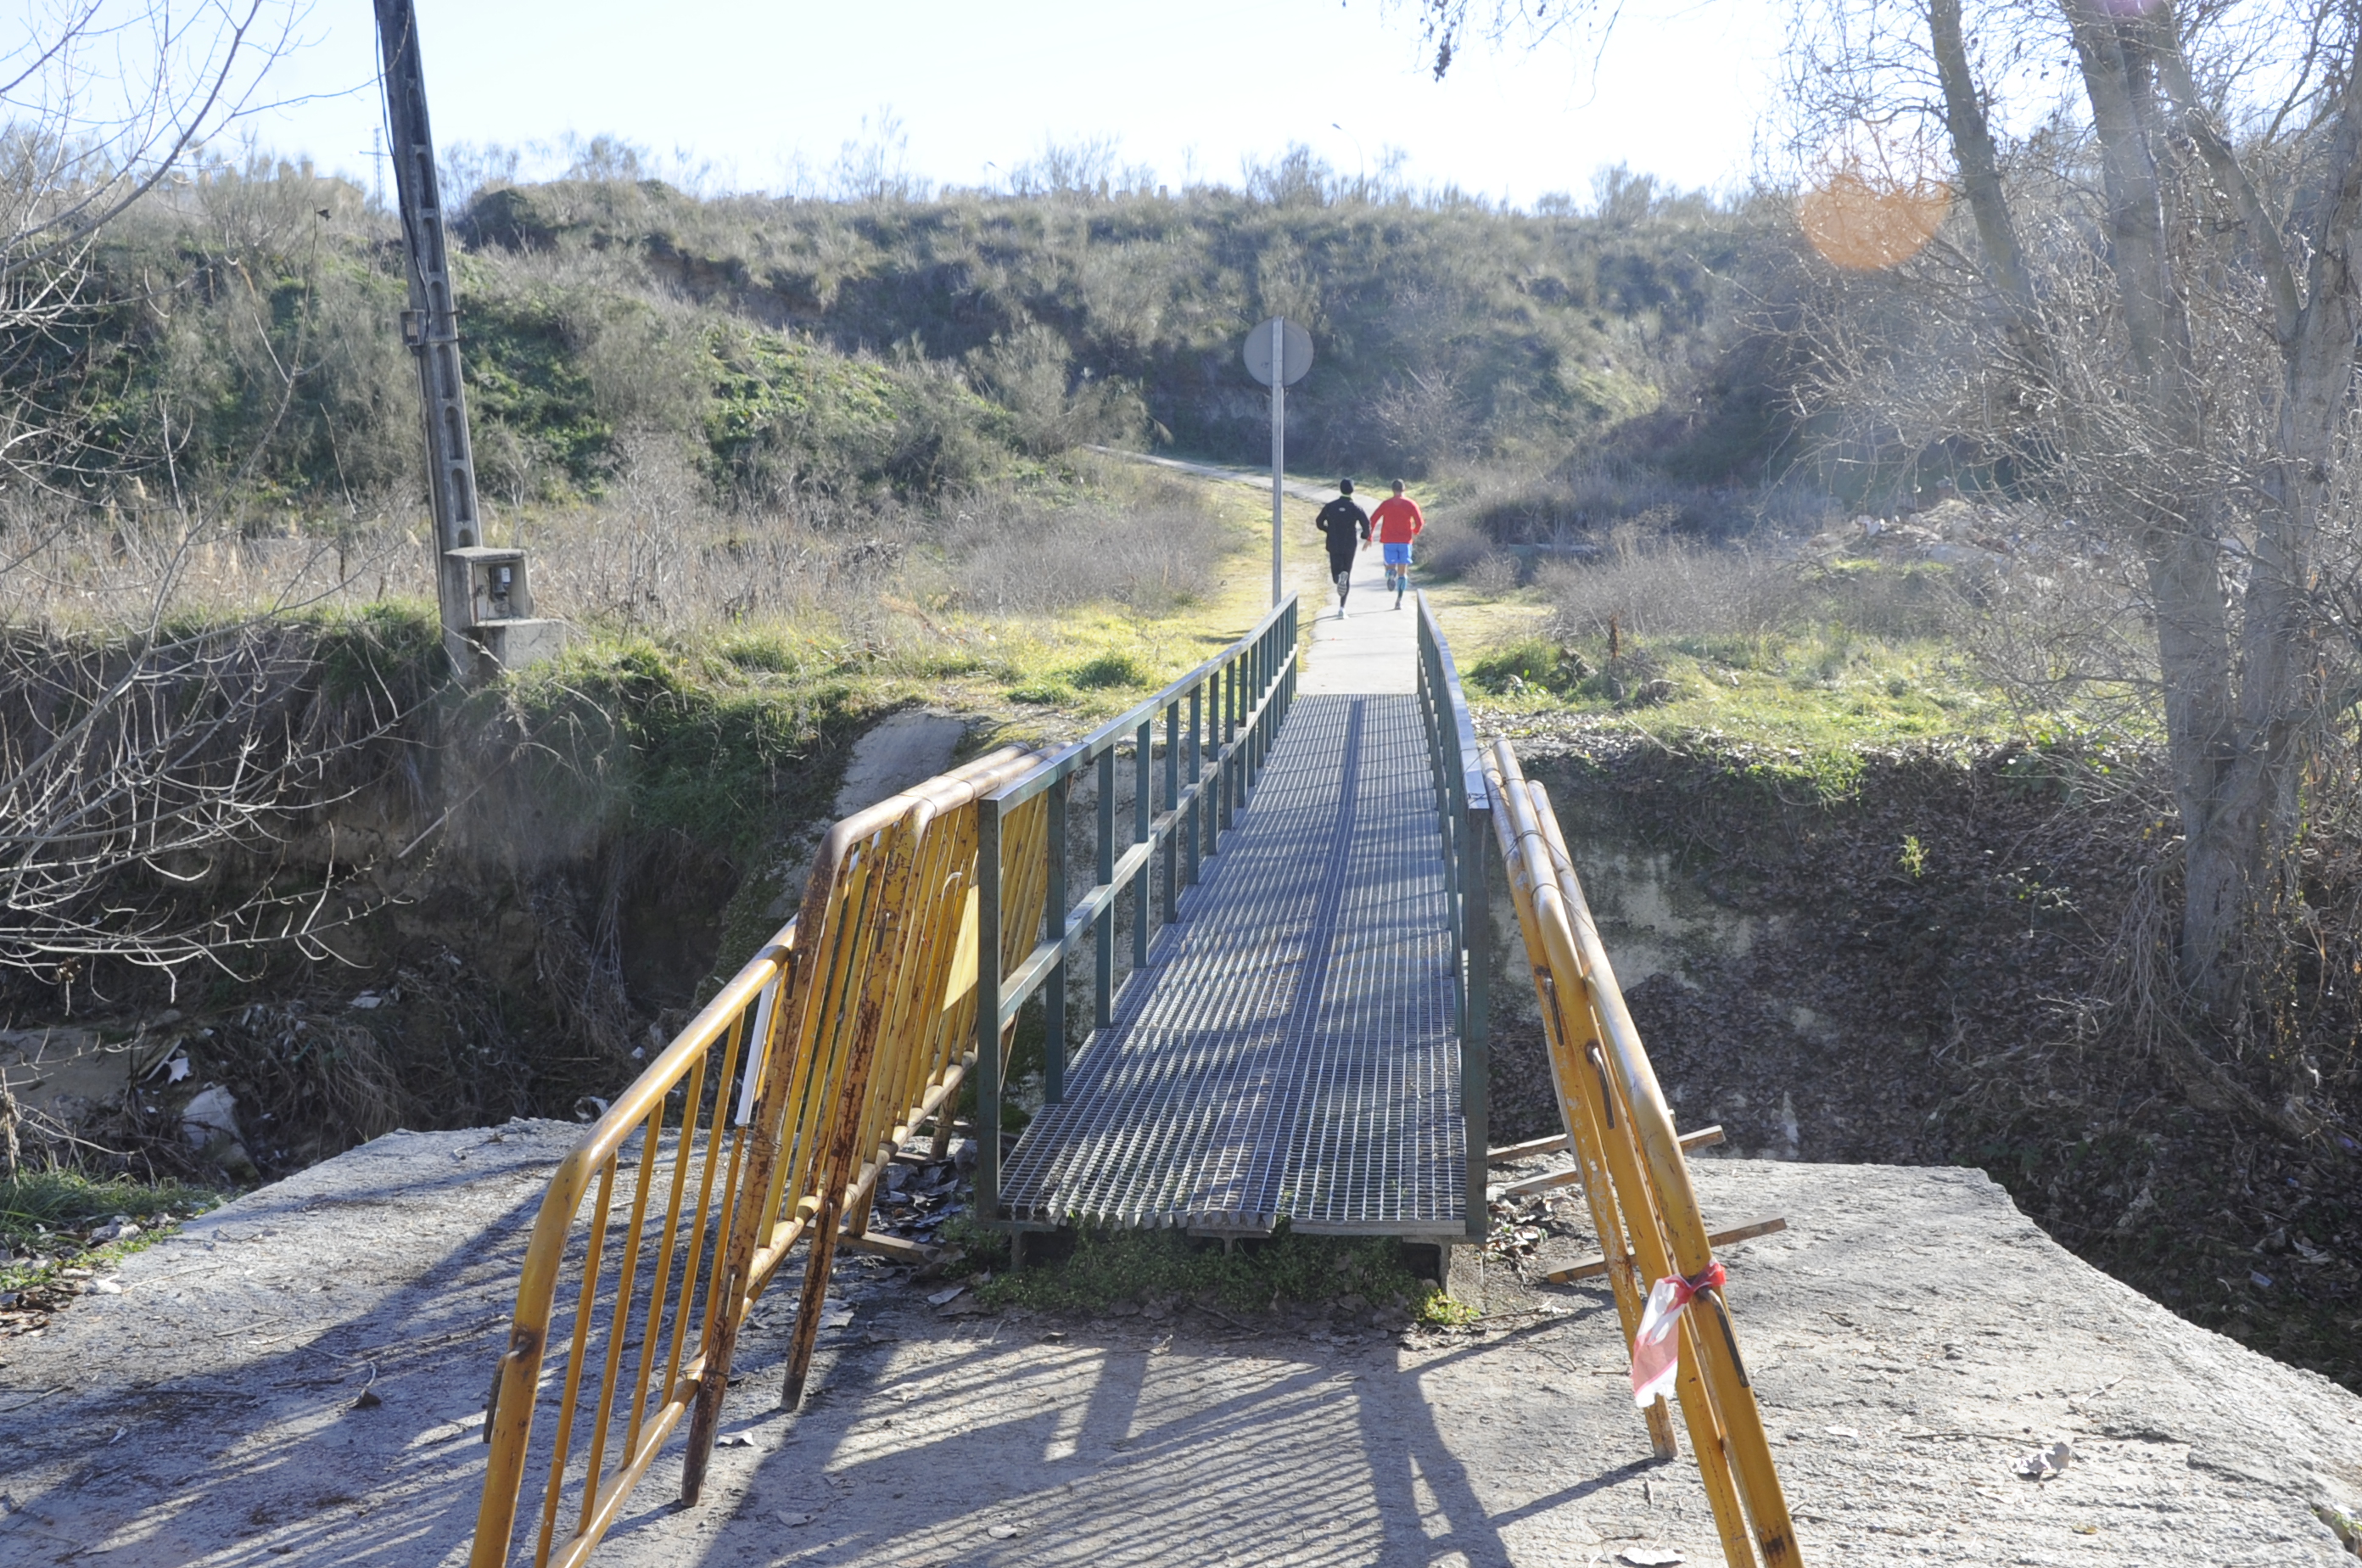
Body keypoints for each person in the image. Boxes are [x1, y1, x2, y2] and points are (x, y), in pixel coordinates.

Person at [1313, 479, 1369, 616]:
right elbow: (1366, 524)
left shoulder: (1330, 507)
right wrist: (1364, 535)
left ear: (1340, 489)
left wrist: (1328, 530)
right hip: (1349, 545)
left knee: (1336, 573)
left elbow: (1319, 522)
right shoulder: (1356, 508)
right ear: (1352, 491)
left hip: (1334, 543)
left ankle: (1338, 579)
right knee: (1347, 573)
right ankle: (1342, 608)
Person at [1369, 479, 1425, 608]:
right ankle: (1399, 600)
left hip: (1389, 541)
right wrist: (1414, 532)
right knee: (1403, 572)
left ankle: (1390, 575)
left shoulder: (1386, 504)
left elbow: (1373, 519)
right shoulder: (1411, 504)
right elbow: (1420, 522)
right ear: (1404, 489)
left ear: (1392, 490)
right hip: (1405, 541)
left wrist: (1370, 536)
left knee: (1389, 566)